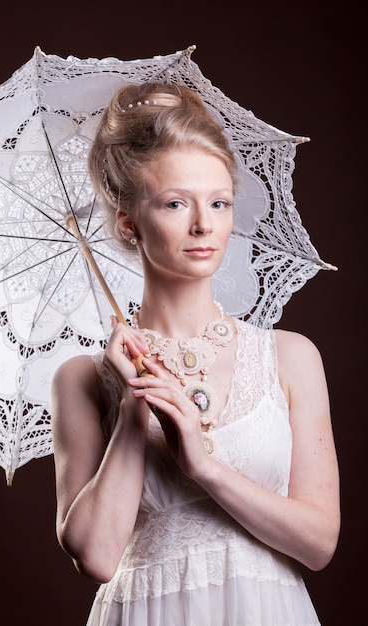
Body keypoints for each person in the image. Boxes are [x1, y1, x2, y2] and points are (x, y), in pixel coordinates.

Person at [51, 82, 340, 626]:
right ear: (128, 222)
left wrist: (205, 468)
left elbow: (319, 544)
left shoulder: (292, 356)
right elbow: (94, 555)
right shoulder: (83, 379)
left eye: (219, 202)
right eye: (176, 203)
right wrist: (135, 408)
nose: (204, 225)